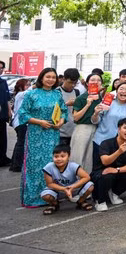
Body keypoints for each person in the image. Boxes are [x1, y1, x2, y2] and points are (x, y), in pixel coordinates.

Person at [18, 67, 67, 207]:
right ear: (41, 78)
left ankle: (50, 195)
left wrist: (61, 122)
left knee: (51, 163)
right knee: (34, 164)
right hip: (35, 134)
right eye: (48, 77)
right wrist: (40, 122)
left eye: (53, 77)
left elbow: (63, 111)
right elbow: (23, 114)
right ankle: (33, 198)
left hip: (52, 134)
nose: (51, 80)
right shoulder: (31, 94)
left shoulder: (57, 94)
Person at [92, 118, 126, 211]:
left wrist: (117, 170)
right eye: (125, 128)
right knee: (108, 175)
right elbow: (105, 161)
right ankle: (100, 201)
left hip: (116, 172)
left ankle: (114, 193)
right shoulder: (106, 143)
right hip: (101, 173)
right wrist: (118, 152)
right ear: (119, 129)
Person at [40, 144, 94, 214]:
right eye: (56, 156)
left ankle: (81, 201)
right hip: (58, 190)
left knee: (90, 186)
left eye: (62, 156)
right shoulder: (49, 167)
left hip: (73, 189)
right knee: (45, 195)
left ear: (68, 156)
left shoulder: (73, 166)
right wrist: (63, 189)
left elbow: (86, 177)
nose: (59, 159)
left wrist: (72, 187)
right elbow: (49, 184)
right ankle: (54, 204)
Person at [91, 82, 126, 169]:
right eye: (121, 89)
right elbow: (95, 121)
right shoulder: (108, 102)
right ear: (116, 91)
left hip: (118, 145)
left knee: (112, 170)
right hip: (101, 140)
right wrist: (95, 113)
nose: (124, 91)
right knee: (97, 168)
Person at [70, 73, 103, 173]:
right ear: (87, 83)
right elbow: (76, 117)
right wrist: (87, 105)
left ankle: (86, 179)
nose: (96, 82)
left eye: (98, 80)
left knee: (89, 158)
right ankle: (75, 179)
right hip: (82, 128)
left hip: (96, 129)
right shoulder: (81, 98)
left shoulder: (100, 99)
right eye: (92, 80)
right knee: (78, 156)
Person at [56, 68, 81, 148]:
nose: (72, 85)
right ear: (64, 79)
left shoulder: (77, 92)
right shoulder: (57, 92)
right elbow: (52, 111)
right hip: (60, 133)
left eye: (75, 83)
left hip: (73, 131)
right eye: (70, 82)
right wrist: (66, 104)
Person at [10, 78, 29, 172]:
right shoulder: (21, 94)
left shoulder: (19, 95)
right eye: (27, 85)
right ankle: (17, 165)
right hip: (21, 123)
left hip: (19, 123)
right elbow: (31, 91)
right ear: (21, 87)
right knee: (21, 144)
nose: (28, 87)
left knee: (19, 143)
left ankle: (14, 164)